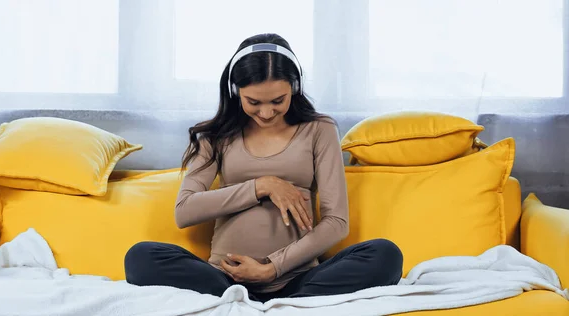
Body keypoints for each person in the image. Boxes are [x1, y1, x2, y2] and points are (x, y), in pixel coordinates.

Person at [124, 33, 403, 302]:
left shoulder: (320, 129)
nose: (266, 113)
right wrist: (261, 186)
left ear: (294, 87)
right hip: (224, 278)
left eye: (278, 101)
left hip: (298, 279)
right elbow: (184, 211)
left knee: (385, 255)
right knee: (140, 257)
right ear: (236, 92)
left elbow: (336, 223)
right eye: (254, 102)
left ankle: (277, 303)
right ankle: (252, 301)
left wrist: (272, 267)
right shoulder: (216, 137)